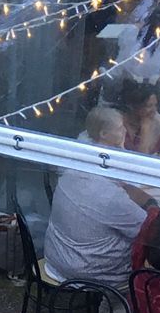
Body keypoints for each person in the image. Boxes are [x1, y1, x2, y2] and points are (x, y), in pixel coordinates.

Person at [43, 106, 154, 285]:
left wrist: (120, 145)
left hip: (57, 257)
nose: (125, 131)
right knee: (149, 254)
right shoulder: (108, 196)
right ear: (103, 134)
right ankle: (124, 307)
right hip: (88, 272)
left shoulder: (74, 164)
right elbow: (146, 230)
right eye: (120, 128)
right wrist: (150, 203)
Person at [118, 89, 160, 156]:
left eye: (155, 105)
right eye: (149, 106)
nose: (154, 110)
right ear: (135, 107)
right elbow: (141, 157)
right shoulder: (119, 123)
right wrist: (145, 130)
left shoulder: (157, 121)